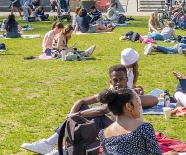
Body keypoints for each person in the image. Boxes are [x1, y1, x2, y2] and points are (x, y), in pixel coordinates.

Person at [22, 65, 159, 154]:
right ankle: (56, 143)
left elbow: (102, 110)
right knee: (85, 114)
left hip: (129, 127)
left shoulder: (128, 95)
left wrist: (77, 115)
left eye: (121, 80)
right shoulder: (111, 93)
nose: (118, 83)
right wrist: (72, 116)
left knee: (94, 118)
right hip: (117, 126)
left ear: (126, 79)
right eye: (115, 80)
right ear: (110, 81)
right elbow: (82, 101)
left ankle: (61, 147)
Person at [98, 87, 162, 155]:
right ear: (128, 106)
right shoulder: (144, 128)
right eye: (137, 101)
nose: (139, 104)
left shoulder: (103, 134)